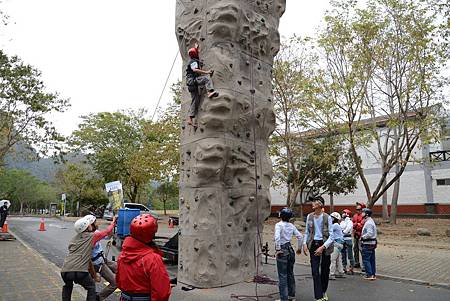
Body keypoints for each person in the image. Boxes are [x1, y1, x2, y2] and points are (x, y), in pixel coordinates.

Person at [61, 215, 117, 301]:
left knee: (68, 287)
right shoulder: (92, 236)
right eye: (89, 224)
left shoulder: (74, 239)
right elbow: (107, 231)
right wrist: (113, 222)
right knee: (91, 287)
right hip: (80, 270)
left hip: (65, 270)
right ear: (87, 227)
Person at [116, 213, 171, 301]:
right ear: (152, 234)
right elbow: (161, 293)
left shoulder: (122, 255)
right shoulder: (153, 259)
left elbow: (119, 282)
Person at [303, 197, 335, 301]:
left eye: (314, 202)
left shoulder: (327, 217)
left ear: (320, 204)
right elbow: (307, 232)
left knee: (325, 270)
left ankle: (323, 291)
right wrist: (304, 243)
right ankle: (318, 297)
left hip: (324, 245)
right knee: (315, 271)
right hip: (313, 244)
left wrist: (323, 247)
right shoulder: (309, 216)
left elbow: (332, 236)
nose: (312, 203)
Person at [185, 42, 219, 126]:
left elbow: (196, 60)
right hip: (193, 81)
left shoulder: (193, 60)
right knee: (206, 79)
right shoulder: (193, 61)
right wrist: (207, 72)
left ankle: (190, 118)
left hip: (191, 84)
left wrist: (196, 48)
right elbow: (195, 70)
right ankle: (209, 92)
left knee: (195, 100)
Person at [274, 207, 303, 301]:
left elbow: (277, 238)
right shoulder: (291, 226)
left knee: (282, 275)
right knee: (290, 273)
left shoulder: (278, 225)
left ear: (281, 216)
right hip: (290, 250)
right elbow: (300, 236)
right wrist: (299, 248)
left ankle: (284, 298)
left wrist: (278, 249)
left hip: (283, 250)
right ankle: (291, 296)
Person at [92, 232, 117, 301]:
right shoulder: (90, 236)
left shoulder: (95, 232)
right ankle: (99, 298)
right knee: (115, 283)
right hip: (98, 263)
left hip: (102, 259)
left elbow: (107, 236)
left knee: (120, 268)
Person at [361, 208, 377, 280]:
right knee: (371, 259)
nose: (362, 213)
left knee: (366, 259)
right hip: (371, 244)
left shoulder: (369, 223)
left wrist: (363, 237)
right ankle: (373, 274)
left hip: (368, 243)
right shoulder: (370, 221)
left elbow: (369, 233)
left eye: (363, 212)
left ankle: (369, 275)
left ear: (366, 214)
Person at [329, 212, 345, 280]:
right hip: (340, 244)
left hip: (336, 244)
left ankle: (331, 274)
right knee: (338, 259)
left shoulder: (335, 225)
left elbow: (328, 230)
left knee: (333, 259)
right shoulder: (337, 225)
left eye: (332, 217)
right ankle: (341, 272)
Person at [340, 209, 355, 274]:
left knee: (350, 254)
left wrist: (343, 232)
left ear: (347, 214)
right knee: (343, 254)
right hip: (343, 239)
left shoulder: (350, 222)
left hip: (348, 239)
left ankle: (351, 267)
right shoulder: (342, 222)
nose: (342, 214)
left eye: (344, 213)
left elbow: (348, 229)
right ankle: (344, 267)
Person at [352, 202, 365, 269]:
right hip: (355, 234)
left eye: (359, 209)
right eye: (357, 209)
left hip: (361, 235)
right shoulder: (355, 216)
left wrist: (357, 225)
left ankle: (364, 265)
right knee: (355, 249)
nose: (358, 210)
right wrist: (357, 224)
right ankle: (356, 262)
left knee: (361, 249)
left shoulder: (364, 216)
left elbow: (362, 226)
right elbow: (352, 225)